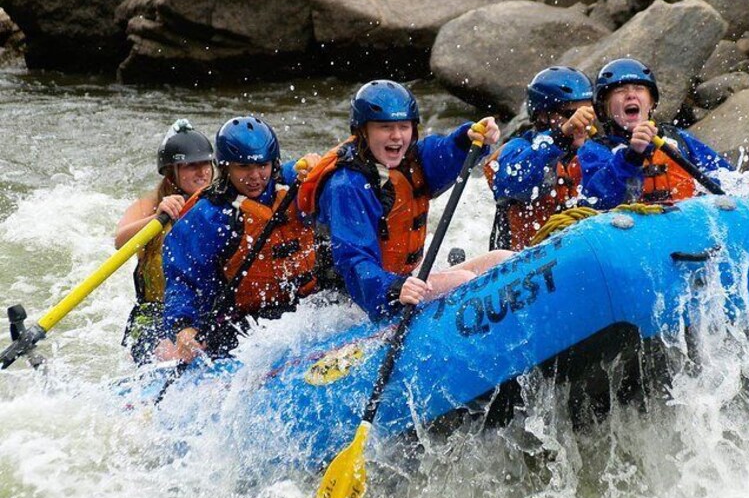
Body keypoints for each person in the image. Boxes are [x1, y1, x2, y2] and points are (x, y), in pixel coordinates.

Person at [298, 79, 512, 322]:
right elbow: (354, 260)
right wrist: (393, 289)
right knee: (463, 281)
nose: (397, 136)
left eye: (404, 126)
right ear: (363, 131)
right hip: (354, 304)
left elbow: (445, 152)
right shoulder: (346, 186)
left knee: (501, 259)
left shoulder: (413, 159)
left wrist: (468, 138)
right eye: (385, 127)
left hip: (401, 283)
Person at [156, 116, 319, 364]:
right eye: (243, 167)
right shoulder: (208, 216)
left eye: (262, 166)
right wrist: (183, 327)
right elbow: (182, 279)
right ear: (225, 167)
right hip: (243, 320)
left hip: (309, 306)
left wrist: (320, 166)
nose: (255, 176)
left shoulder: (293, 182)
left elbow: (333, 166)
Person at [115, 119, 215, 365]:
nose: (202, 172)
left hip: (200, 311)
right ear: (172, 172)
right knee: (171, 354)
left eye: (206, 164)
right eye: (191, 166)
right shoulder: (150, 204)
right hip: (154, 315)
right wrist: (156, 218)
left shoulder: (221, 201)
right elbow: (120, 242)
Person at [577, 58, 733, 210]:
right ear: (605, 107)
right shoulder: (594, 150)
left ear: (651, 103)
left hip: (685, 224)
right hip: (630, 230)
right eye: (620, 90)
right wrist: (631, 157)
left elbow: (728, 179)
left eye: (639, 89)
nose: (631, 95)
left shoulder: (678, 139)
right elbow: (597, 203)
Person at [484, 66, 596, 250]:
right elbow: (516, 183)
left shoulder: (595, 153)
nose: (580, 121)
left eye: (587, 112)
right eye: (571, 114)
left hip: (582, 252)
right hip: (527, 261)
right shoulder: (517, 149)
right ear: (543, 116)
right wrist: (561, 136)